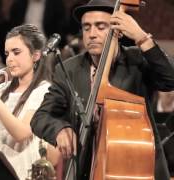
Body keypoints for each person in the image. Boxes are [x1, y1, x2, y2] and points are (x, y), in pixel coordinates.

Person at [30, 0, 174, 179]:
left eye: (100, 26)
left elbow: (170, 79)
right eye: (87, 27)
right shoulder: (68, 69)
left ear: (118, 31)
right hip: (88, 169)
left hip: (137, 167)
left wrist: (142, 37)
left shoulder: (137, 60)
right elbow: (41, 117)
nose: (92, 34)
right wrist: (60, 129)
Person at [0, 24, 61, 179]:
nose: (10, 59)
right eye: (7, 54)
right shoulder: (2, 89)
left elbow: (21, 133)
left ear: (35, 56)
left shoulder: (44, 91)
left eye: (16, 52)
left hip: (19, 173)